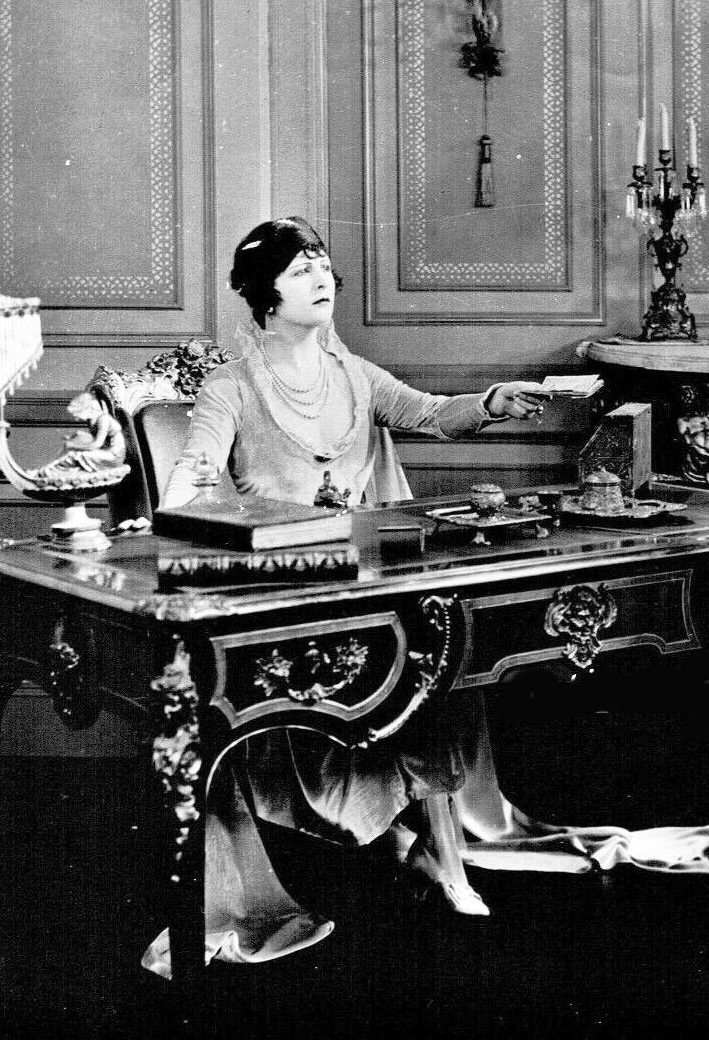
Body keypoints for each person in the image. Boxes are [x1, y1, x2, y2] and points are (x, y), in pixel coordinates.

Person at [146, 216, 551, 974]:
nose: (321, 278)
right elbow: (193, 474)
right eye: (300, 269)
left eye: (322, 265)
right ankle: (397, 846)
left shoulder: (353, 374)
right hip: (293, 596)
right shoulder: (231, 385)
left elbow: (429, 413)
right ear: (266, 292)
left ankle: (441, 856)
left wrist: (493, 400)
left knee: (445, 666)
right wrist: (198, 494)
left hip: (376, 583)